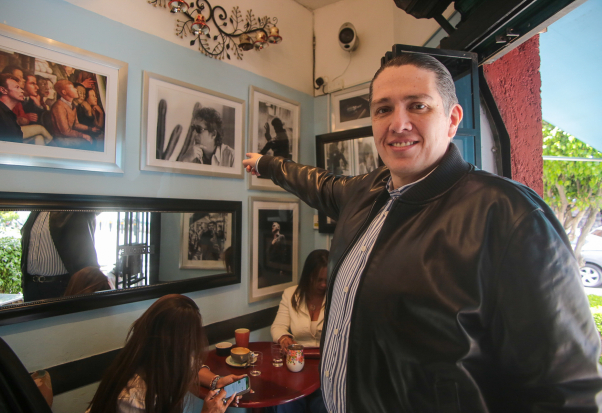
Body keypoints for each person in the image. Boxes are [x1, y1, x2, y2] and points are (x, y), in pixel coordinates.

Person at [243, 53, 602, 412]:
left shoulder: (508, 214)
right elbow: (316, 184)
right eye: (383, 109)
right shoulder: (365, 193)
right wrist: (266, 164)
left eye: (418, 106)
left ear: (452, 119)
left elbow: (567, 392)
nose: (398, 124)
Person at [88, 294, 244, 413]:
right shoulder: (133, 397)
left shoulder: (158, 357)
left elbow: (190, 367)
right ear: (175, 345)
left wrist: (217, 381)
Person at [267, 249, 329, 413]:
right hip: (297, 367)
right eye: (318, 279)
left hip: (327, 368)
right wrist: (283, 338)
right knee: (283, 403)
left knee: (323, 404)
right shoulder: (291, 294)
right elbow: (277, 326)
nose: (323, 284)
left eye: (327, 279)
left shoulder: (337, 297)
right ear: (308, 275)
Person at [21, 211, 99, 302]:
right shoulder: (36, 212)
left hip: (60, 287)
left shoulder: (72, 210)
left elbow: (85, 252)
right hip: (31, 287)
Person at [50, 79, 98, 148]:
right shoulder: (59, 107)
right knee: (87, 143)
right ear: (64, 92)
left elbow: (75, 124)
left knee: (92, 139)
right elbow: (65, 131)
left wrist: (90, 129)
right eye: (72, 88)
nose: (76, 90)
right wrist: (83, 135)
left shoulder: (72, 105)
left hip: (69, 136)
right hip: (61, 140)